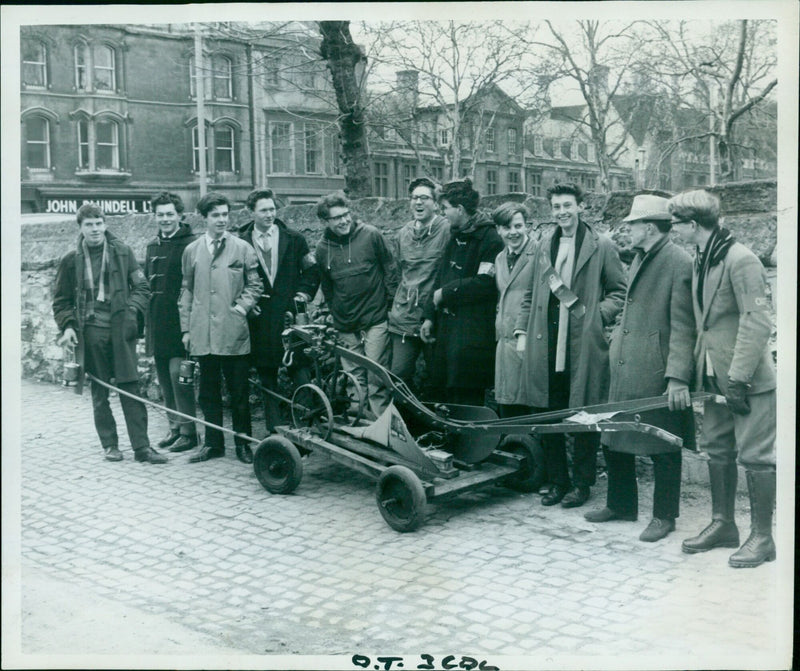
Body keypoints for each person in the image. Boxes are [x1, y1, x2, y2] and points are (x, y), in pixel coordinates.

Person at [669, 189, 776, 568]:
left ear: (693, 225)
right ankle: (723, 524)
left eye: (676, 224)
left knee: (756, 456)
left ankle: (762, 538)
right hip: (712, 376)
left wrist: (739, 379)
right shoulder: (703, 258)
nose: (674, 231)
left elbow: (758, 320)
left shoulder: (740, 259)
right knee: (717, 449)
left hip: (745, 381)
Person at [584, 194, 695, 542]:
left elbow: (685, 326)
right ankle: (621, 505)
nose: (627, 229)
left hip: (656, 369)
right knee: (614, 435)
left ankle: (664, 516)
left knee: (663, 442)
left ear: (649, 227)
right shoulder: (641, 257)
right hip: (626, 363)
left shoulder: (679, 262)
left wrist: (677, 377)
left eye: (632, 224)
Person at [514, 183, 626, 508]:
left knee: (583, 415)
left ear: (580, 207)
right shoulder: (543, 245)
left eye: (568, 205)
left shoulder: (600, 245)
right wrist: (522, 330)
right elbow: (529, 293)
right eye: (557, 207)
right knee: (548, 415)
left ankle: (582, 483)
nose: (562, 212)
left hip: (580, 346)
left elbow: (619, 291)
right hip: (545, 342)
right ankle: (557, 480)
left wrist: (596, 319)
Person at [53, 204, 165, 463]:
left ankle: (142, 448)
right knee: (100, 392)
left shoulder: (122, 252)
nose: (95, 229)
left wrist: (130, 313)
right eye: (89, 225)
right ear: (80, 228)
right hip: (90, 333)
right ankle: (110, 445)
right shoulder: (71, 260)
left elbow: (142, 287)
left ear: (105, 224)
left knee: (130, 388)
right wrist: (68, 326)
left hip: (120, 332)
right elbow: (60, 301)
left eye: (99, 223)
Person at [179, 192, 263, 464]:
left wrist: (240, 309)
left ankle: (243, 444)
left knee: (239, 392)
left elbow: (255, 285)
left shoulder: (242, 248)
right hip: (202, 332)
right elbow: (187, 291)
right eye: (215, 215)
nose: (221, 220)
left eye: (225, 215)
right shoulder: (191, 251)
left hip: (233, 332)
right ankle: (213, 444)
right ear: (204, 218)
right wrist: (186, 330)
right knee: (208, 392)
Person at [239, 188, 320, 433]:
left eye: (272, 209)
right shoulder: (240, 242)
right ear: (251, 212)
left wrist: (302, 295)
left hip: (290, 317)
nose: (269, 214)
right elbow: (235, 280)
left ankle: (307, 424)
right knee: (267, 372)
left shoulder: (294, 239)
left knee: (299, 367)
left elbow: (312, 272)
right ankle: (275, 430)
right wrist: (247, 306)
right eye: (263, 210)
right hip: (260, 318)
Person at [315, 191, 399, 418]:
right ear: (326, 221)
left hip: (375, 318)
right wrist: (335, 314)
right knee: (353, 378)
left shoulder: (371, 235)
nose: (343, 221)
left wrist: (390, 305)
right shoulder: (322, 249)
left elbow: (390, 269)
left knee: (376, 376)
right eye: (336, 218)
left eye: (346, 214)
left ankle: (382, 427)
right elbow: (327, 287)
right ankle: (358, 423)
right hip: (346, 323)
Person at [420, 178, 503, 406]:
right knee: (443, 395)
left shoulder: (490, 239)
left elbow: (484, 283)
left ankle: (470, 440)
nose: (442, 211)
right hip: (447, 332)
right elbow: (441, 275)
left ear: (460, 209)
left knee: (466, 397)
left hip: (472, 335)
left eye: (446, 207)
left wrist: (445, 294)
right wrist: (428, 315)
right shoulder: (455, 235)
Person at [144, 191, 199, 453]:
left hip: (180, 321)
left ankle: (189, 432)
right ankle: (174, 428)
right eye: (160, 215)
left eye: (170, 214)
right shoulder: (152, 246)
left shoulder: (191, 243)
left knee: (180, 376)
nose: (165, 219)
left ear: (179, 215)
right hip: (157, 321)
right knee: (164, 378)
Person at [388, 177, 450, 393]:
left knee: (436, 377)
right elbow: (395, 274)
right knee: (399, 374)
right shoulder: (402, 234)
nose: (418, 203)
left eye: (424, 198)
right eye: (414, 198)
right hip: (404, 318)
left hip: (435, 317)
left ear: (436, 203)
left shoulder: (446, 230)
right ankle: (403, 424)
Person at [492, 202, 538, 418]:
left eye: (518, 226)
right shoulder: (500, 258)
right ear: (499, 230)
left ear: (527, 226)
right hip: (504, 342)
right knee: (508, 404)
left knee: (529, 405)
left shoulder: (540, 254)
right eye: (507, 227)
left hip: (528, 342)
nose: (513, 233)